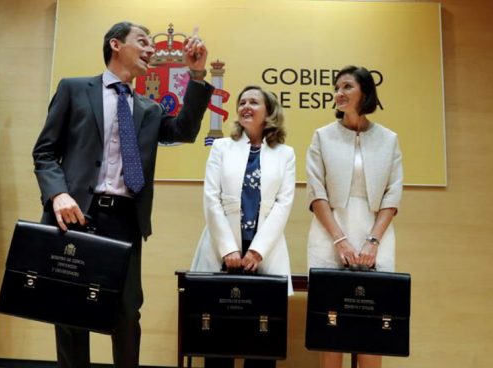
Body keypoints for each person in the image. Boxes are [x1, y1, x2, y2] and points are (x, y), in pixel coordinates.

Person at [32, 21, 214, 368]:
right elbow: (44, 152)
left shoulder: (149, 108)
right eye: (143, 42)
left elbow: (185, 131)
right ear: (116, 45)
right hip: (75, 214)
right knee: (69, 310)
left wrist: (198, 76)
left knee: (127, 312)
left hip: (124, 219)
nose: (151, 50)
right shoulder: (74, 89)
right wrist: (58, 195)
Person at [191, 86, 295, 368]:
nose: (246, 106)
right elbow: (211, 198)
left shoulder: (285, 153)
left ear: (269, 111)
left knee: (261, 341)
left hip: (265, 252)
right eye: (242, 102)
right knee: (218, 340)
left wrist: (257, 251)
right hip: (222, 251)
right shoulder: (222, 147)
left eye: (254, 102)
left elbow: (284, 205)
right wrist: (228, 249)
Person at [306, 65, 403, 368]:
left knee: (373, 328)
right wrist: (340, 239)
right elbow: (316, 192)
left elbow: (393, 193)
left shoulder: (389, 139)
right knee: (330, 327)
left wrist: (373, 240)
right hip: (329, 235)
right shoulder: (322, 136)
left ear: (365, 92)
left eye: (347, 86)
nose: (339, 93)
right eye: (336, 88)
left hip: (376, 235)